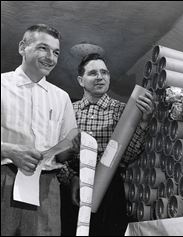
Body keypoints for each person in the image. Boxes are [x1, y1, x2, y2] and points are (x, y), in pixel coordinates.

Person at [57, 53, 154, 236]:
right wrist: (70, 179)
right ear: (80, 80)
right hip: (73, 185)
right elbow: (57, 155)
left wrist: (143, 123)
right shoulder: (68, 110)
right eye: (93, 73)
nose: (100, 77)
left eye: (104, 72)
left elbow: (127, 156)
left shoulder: (124, 111)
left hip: (109, 187)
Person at [1, 24, 79, 236]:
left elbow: (65, 149)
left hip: (47, 186)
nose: (50, 58)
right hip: (4, 178)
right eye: (43, 48)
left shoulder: (62, 97)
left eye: (56, 52)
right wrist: (9, 150)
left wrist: (72, 146)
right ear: (22, 47)